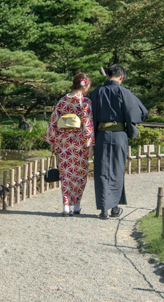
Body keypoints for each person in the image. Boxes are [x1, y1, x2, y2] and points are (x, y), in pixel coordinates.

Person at [87, 63, 148, 219]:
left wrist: (90, 141)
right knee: (117, 170)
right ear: (121, 77)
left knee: (101, 171)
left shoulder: (96, 93)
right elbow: (141, 111)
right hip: (119, 135)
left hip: (101, 135)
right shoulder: (125, 92)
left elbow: (89, 118)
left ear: (107, 76)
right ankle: (114, 208)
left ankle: (104, 210)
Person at [47, 74, 96, 215]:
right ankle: (77, 205)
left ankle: (66, 206)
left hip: (64, 142)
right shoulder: (85, 102)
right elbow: (87, 123)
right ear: (85, 86)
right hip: (80, 143)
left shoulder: (63, 101)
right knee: (80, 174)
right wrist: (90, 145)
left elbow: (54, 121)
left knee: (66, 174)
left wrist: (53, 141)